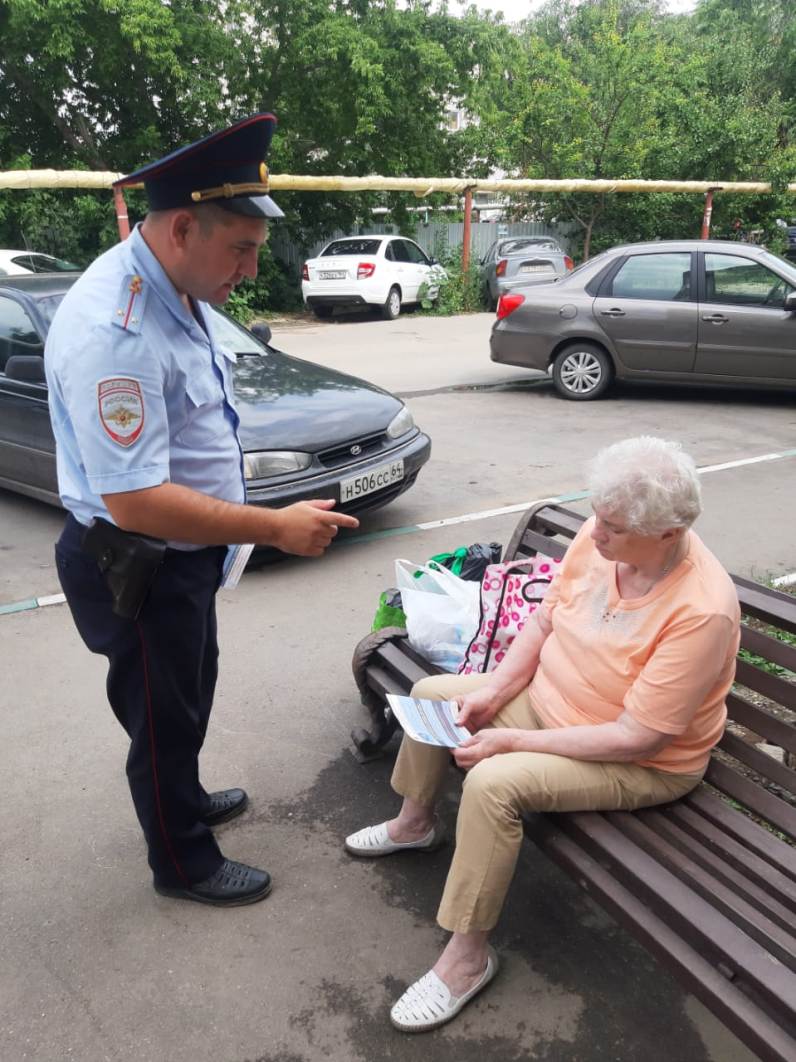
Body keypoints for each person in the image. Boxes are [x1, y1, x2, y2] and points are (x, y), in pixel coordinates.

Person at [45, 113, 359, 907]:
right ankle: (181, 862)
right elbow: (137, 498)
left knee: (187, 693)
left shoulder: (176, 281)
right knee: (162, 716)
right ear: (183, 226)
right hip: (141, 560)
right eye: (241, 250)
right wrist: (275, 526)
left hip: (182, 557)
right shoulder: (116, 331)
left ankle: (181, 793)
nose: (251, 271)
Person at [345, 436, 740, 1032]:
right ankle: (414, 824)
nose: (596, 533)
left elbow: (638, 738)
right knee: (434, 696)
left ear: (666, 533)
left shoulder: (702, 610)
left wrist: (511, 741)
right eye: (597, 517)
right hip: (552, 704)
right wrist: (493, 693)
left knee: (494, 785)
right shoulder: (604, 538)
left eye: (613, 526)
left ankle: (467, 958)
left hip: (639, 760)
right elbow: (545, 619)